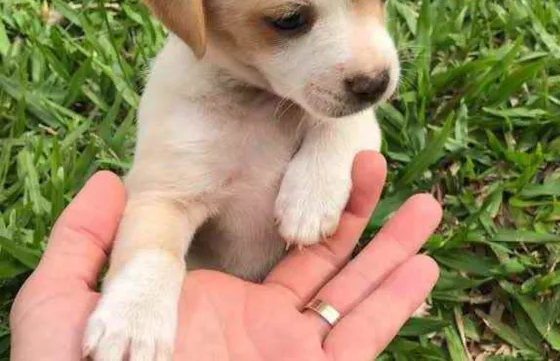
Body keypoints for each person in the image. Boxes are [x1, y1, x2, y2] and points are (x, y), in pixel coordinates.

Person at [10, 151, 442, 360]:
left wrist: (331, 145)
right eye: (290, 19)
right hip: (205, 276)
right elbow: (165, 199)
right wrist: (145, 280)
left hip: (281, 285)